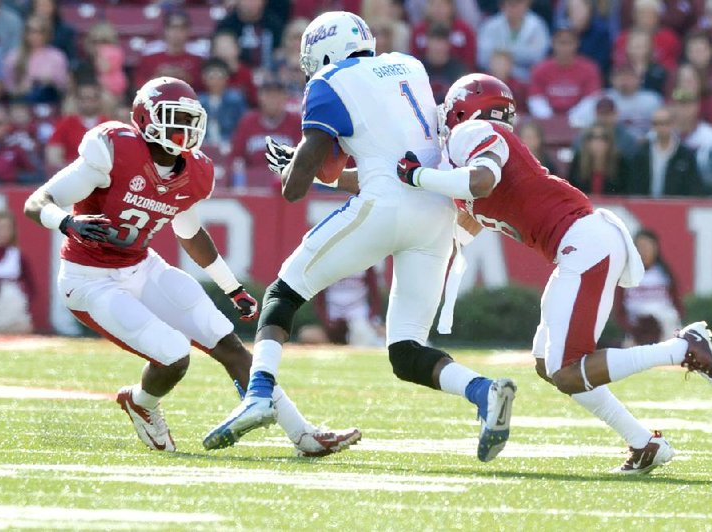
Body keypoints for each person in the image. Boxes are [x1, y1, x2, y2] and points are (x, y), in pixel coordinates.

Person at [204, 12, 517, 464]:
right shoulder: (410, 66)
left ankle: (259, 392)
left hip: (384, 207)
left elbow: (300, 183)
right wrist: (320, 172)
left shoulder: (330, 79)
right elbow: (388, 161)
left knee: (283, 290)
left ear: (323, 52)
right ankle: (483, 391)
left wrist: (292, 169)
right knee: (407, 349)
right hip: (436, 214)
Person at [396, 73, 712, 473]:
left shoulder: (472, 131)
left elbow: (481, 183)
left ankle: (682, 348)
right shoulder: (477, 147)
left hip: (583, 242)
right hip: (578, 244)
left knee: (569, 370)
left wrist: (418, 175)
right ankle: (644, 443)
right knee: (547, 363)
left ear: (463, 108)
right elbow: (467, 215)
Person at [22, 76, 360, 456]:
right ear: (147, 119)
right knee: (173, 355)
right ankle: (142, 402)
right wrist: (67, 222)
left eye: (190, 119)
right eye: (175, 118)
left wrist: (232, 288)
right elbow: (38, 201)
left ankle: (305, 436)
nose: (185, 130)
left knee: (228, 342)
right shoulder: (114, 148)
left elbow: (190, 232)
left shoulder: (195, 171)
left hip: (142, 266)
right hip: (89, 279)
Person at [226, 74, 300, 188]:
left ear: (285, 98)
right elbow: (235, 156)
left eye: (277, 95)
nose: (272, 100)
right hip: (253, 185)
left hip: (288, 185)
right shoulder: (248, 121)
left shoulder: (295, 121)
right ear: (260, 97)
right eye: (268, 95)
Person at [614, 229, 683, 345]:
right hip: (636, 333)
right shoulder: (627, 275)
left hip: (667, 330)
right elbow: (619, 310)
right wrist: (632, 328)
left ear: (655, 248)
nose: (644, 251)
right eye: (640, 247)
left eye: (648, 247)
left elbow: (677, 304)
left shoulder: (664, 274)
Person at [568, 62, 662, 138]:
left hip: (644, 147)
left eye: (630, 76)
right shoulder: (602, 98)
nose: (625, 80)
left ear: (640, 79)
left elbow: (663, 125)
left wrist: (647, 140)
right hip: (611, 148)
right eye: (620, 76)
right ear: (612, 79)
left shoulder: (652, 100)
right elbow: (575, 119)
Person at [527, 26, 602, 120]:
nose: (565, 47)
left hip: (580, 121)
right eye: (561, 43)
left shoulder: (589, 69)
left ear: (577, 44)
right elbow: (536, 99)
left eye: (569, 43)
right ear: (553, 44)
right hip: (547, 121)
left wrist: (571, 118)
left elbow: (591, 100)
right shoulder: (540, 69)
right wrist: (551, 119)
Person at [298, 268, 385, 347]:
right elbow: (319, 301)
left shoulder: (366, 263)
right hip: (333, 323)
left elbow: (375, 297)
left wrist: (370, 319)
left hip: (359, 320)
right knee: (306, 334)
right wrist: (327, 321)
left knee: (376, 333)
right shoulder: (326, 265)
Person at [629, 107, 703, 196]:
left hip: (676, 206)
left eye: (665, 123)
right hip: (645, 205)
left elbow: (693, 187)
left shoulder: (685, 155)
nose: (661, 127)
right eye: (656, 124)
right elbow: (634, 185)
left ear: (673, 124)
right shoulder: (641, 153)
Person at [45, 80, 108, 175]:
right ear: (77, 101)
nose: (88, 102)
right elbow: (53, 157)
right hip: (72, 177)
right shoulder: (64, 124)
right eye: (84, 98)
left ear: (99, 100)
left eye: (92, 98)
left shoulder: (109, 125)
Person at [476, 0, 550, 80]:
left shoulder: (537, 25)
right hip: (495, 75)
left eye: (518, 3)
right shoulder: (490, 25)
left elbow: (538, 56)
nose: (514, 7)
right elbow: (482, 58)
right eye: (510, 4)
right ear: (502, 5)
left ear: (527, 4)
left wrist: (504, 53)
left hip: (526, 77)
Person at [2, 15, 69, 104]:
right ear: (25, 34)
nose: (35, 36)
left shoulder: (57, 57)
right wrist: (21, 90)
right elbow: (6, 88)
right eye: (31, 32)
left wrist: (49, 81)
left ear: (47, 34)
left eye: (40, 32)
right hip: (21, 102)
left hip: (50, 100)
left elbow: (64, 88)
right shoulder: (13, 56)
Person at [133, 11, 204, 92]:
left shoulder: (197, 58)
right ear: (165, 30)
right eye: (173, 27)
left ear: (189, 31)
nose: (177, 32)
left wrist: (186, 77)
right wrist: (158, 76)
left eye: (182, 28)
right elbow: (138, 87)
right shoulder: (150, 57)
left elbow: (205, 88)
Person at [215, 0, 285, 70]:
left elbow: (281, 51)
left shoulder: (275, 24)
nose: (250, 3)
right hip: (235, 73)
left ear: (264, 2)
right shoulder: (226, 26)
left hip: (269, 73)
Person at [410, 0, 476, 71]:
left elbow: (470, 62)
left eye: (442, 5)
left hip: (457, 73)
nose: (438, 9)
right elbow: (413, 58)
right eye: (433, 4)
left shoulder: (464, 30)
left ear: (451, 7)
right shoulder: (418, 30)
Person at [567, 123, 631, 194]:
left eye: (603, 137)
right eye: (593, 137)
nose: (598, 142)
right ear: (587, 142)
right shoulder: (578, 162)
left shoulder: (620, 163)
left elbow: (627, 194)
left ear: (610, 142)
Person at [670, 88, 712, 172]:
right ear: (673, 107)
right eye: (680, 104)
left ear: (697, 106)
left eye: (688, 104)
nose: (683, 110)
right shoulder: (663, 133)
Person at [197, 58, 247, 144]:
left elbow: (243, 125)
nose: (216, 81)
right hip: (204, 145)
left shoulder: (236, 99)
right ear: (204, 78)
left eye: (219, 77)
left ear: (226, 78)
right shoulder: (199, 101)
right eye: (212, 77)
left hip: (229, 142)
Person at [420, 23, 468, 104]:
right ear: (427, 42)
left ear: (449, 44)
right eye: (435, 41)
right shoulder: (417, 68)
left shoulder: (459, 70)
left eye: (442, 42)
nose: (438, 47)